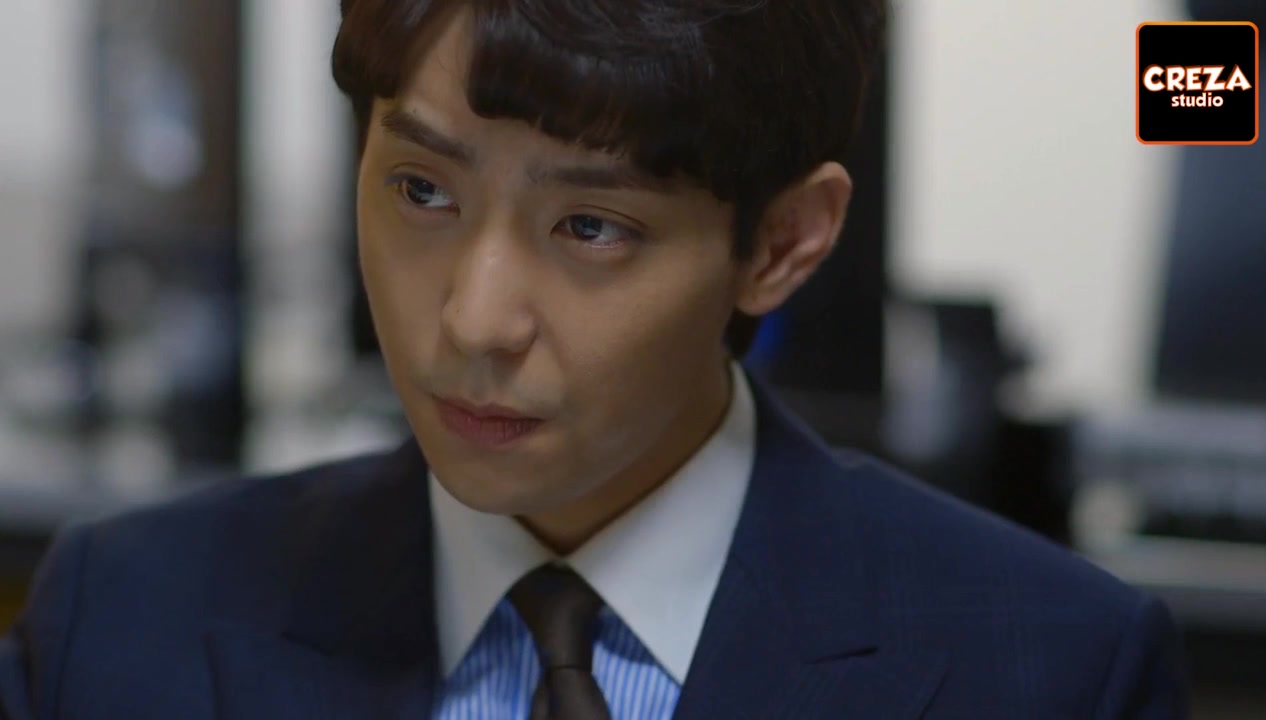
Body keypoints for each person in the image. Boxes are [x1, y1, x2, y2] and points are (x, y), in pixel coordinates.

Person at [1, 0, 1189, 717]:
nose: (473, 319)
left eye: (588, 228)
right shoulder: (126, 619)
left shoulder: (1044, 671)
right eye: (419, 190)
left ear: (782, 242)